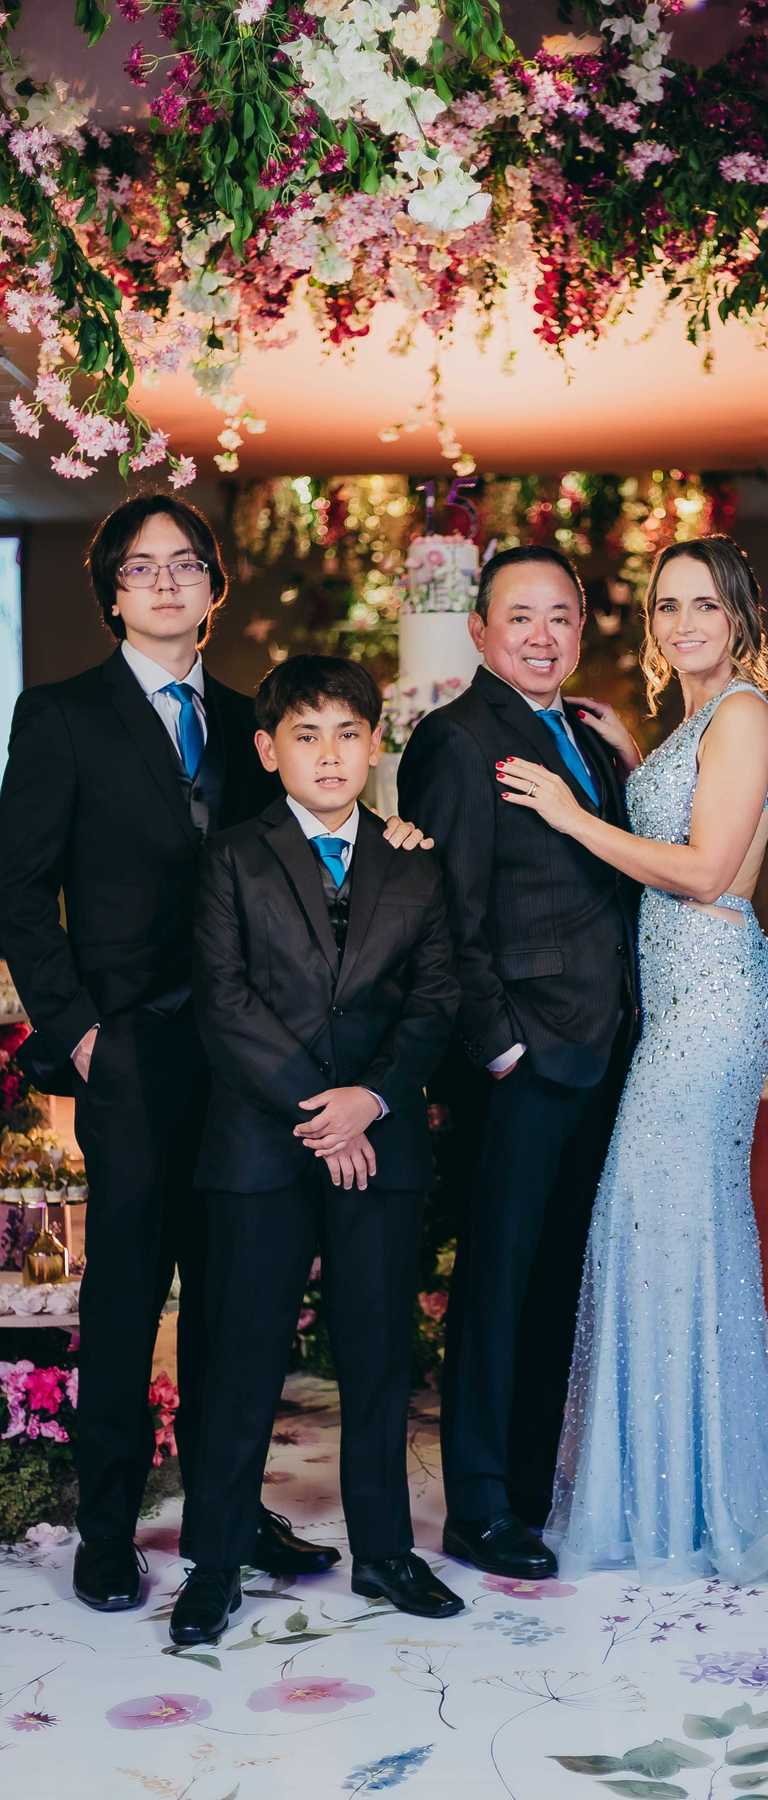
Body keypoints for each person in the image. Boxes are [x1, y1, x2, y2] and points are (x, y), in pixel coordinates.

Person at [0, 496, 371, 1612]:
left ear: (214, 585)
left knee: (236, 1299)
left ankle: (227, 1516)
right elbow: (19, 891)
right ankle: (106, 1531)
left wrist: (389, 836)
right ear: (112, 592)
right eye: (141, 566)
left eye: (185, 564)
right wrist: (78, 1033)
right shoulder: (60, 715)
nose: (165, 582)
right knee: (124, 1300)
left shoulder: (260, 720)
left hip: (249, 1062)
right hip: (129, 1055)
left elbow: (312, 844)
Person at [499, 536, 768, 1582]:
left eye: (705, 605)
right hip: (673, 998)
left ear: (741, 617)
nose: (683, 623)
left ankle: (696, 1501)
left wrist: (571, 815)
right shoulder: (691, 723)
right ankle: (670, 1486)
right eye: (667, 606)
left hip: (714, 996)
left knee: (664, 1220)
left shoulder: (746, 714)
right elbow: (683, 823)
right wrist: (630, 763)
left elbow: (709, 871)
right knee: (661, 1225)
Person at [169, 657, 462, 1645]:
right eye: (306, 735)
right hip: (262, 1146)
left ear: (375, 745)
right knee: (242, 1357)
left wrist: (369, 1101)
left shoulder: (414, 862)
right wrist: (322, 1112)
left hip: (378, 1143)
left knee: (378, 1354)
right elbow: (224, 1003)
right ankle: (216, 1562)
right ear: (267, 750)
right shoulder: (231, 859)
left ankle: (385, 1550)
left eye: (347, 734)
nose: (329, 754)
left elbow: (435, 1002)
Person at [395, 545, 639, 1581]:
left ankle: (532, 1494)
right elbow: (445, 913)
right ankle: (482, 1507)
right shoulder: (456, 740)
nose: (542, 636)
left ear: (580, 629)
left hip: (602, 1048)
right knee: (498, 1286)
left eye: (560, 617)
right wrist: (497, 1045)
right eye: (520, 617)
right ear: (481, 632)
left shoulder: (585, 736)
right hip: (522, 1059)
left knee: (555, 1286)